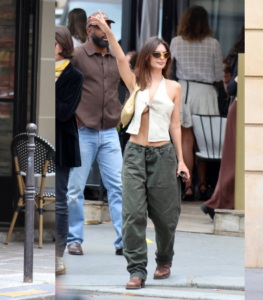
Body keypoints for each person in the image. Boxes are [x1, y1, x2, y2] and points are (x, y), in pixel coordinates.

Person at [91, 10, 190, 290]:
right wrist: (106, 29)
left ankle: (164, 259)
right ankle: (136, 270)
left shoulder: (174, 87)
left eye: (165, 55)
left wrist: (181, 161)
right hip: (135, 153)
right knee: (132, 214)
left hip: (164, 156)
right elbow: (121, 58)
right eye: (157, 54)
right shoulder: (135, 82)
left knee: (166, 217)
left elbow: (175, 127)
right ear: (147, 56)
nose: (161, 58)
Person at [66, 12, 123, 256]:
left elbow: (132, 84)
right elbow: (62, 87)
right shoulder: (77, 55)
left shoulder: (116, 56)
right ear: (89, 31)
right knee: (74, 190)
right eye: (99, 28)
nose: (104, 32)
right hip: (83, 132)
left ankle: (124, 240)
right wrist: (73, 117)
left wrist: (124, 112)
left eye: (107, 27)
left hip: (110, 132)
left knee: (119, 187)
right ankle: (74, 239)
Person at [170, 6, 223, 201]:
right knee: (205, 142)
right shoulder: (213, 44)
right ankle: (203, 184)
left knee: (186, 141)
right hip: (206, 92)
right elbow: (218, 75)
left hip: (184, 91)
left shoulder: (176, 42)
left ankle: (189, 185)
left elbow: (169, 69)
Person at [200, 27, 244, 220]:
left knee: (235, 159)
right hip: (241, 109)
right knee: (233, 159)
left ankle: (219, 202)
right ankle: (217, 202)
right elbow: (233, 87)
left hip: (245, 109)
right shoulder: (246, 55)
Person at [55, 25, 84, 275]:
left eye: (52, 43)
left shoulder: (75, 76)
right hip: (39, 141)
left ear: (63, 45)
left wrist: (45, 89)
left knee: (61, 199)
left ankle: (57, 254)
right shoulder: (39, 70)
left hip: (63, 142)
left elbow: (65, 112)